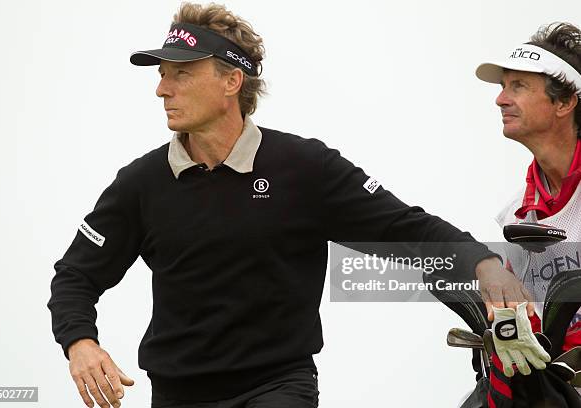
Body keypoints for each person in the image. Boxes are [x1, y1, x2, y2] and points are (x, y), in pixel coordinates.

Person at [47, 3, 528, 408]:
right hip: (176, 393)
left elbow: (406, 230)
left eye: (181, 74)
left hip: (277, 386)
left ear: (232, 81)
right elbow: (76, 275)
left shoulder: (303, 167)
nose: (162, 89)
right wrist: (80, 341)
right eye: (162, 75)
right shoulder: (141, 183)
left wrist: (483, 263)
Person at [474, 22, 581, 405]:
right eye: (504, 86)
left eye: (518, 86)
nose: (501, 99)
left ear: (564, 102)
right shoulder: (514, 215)